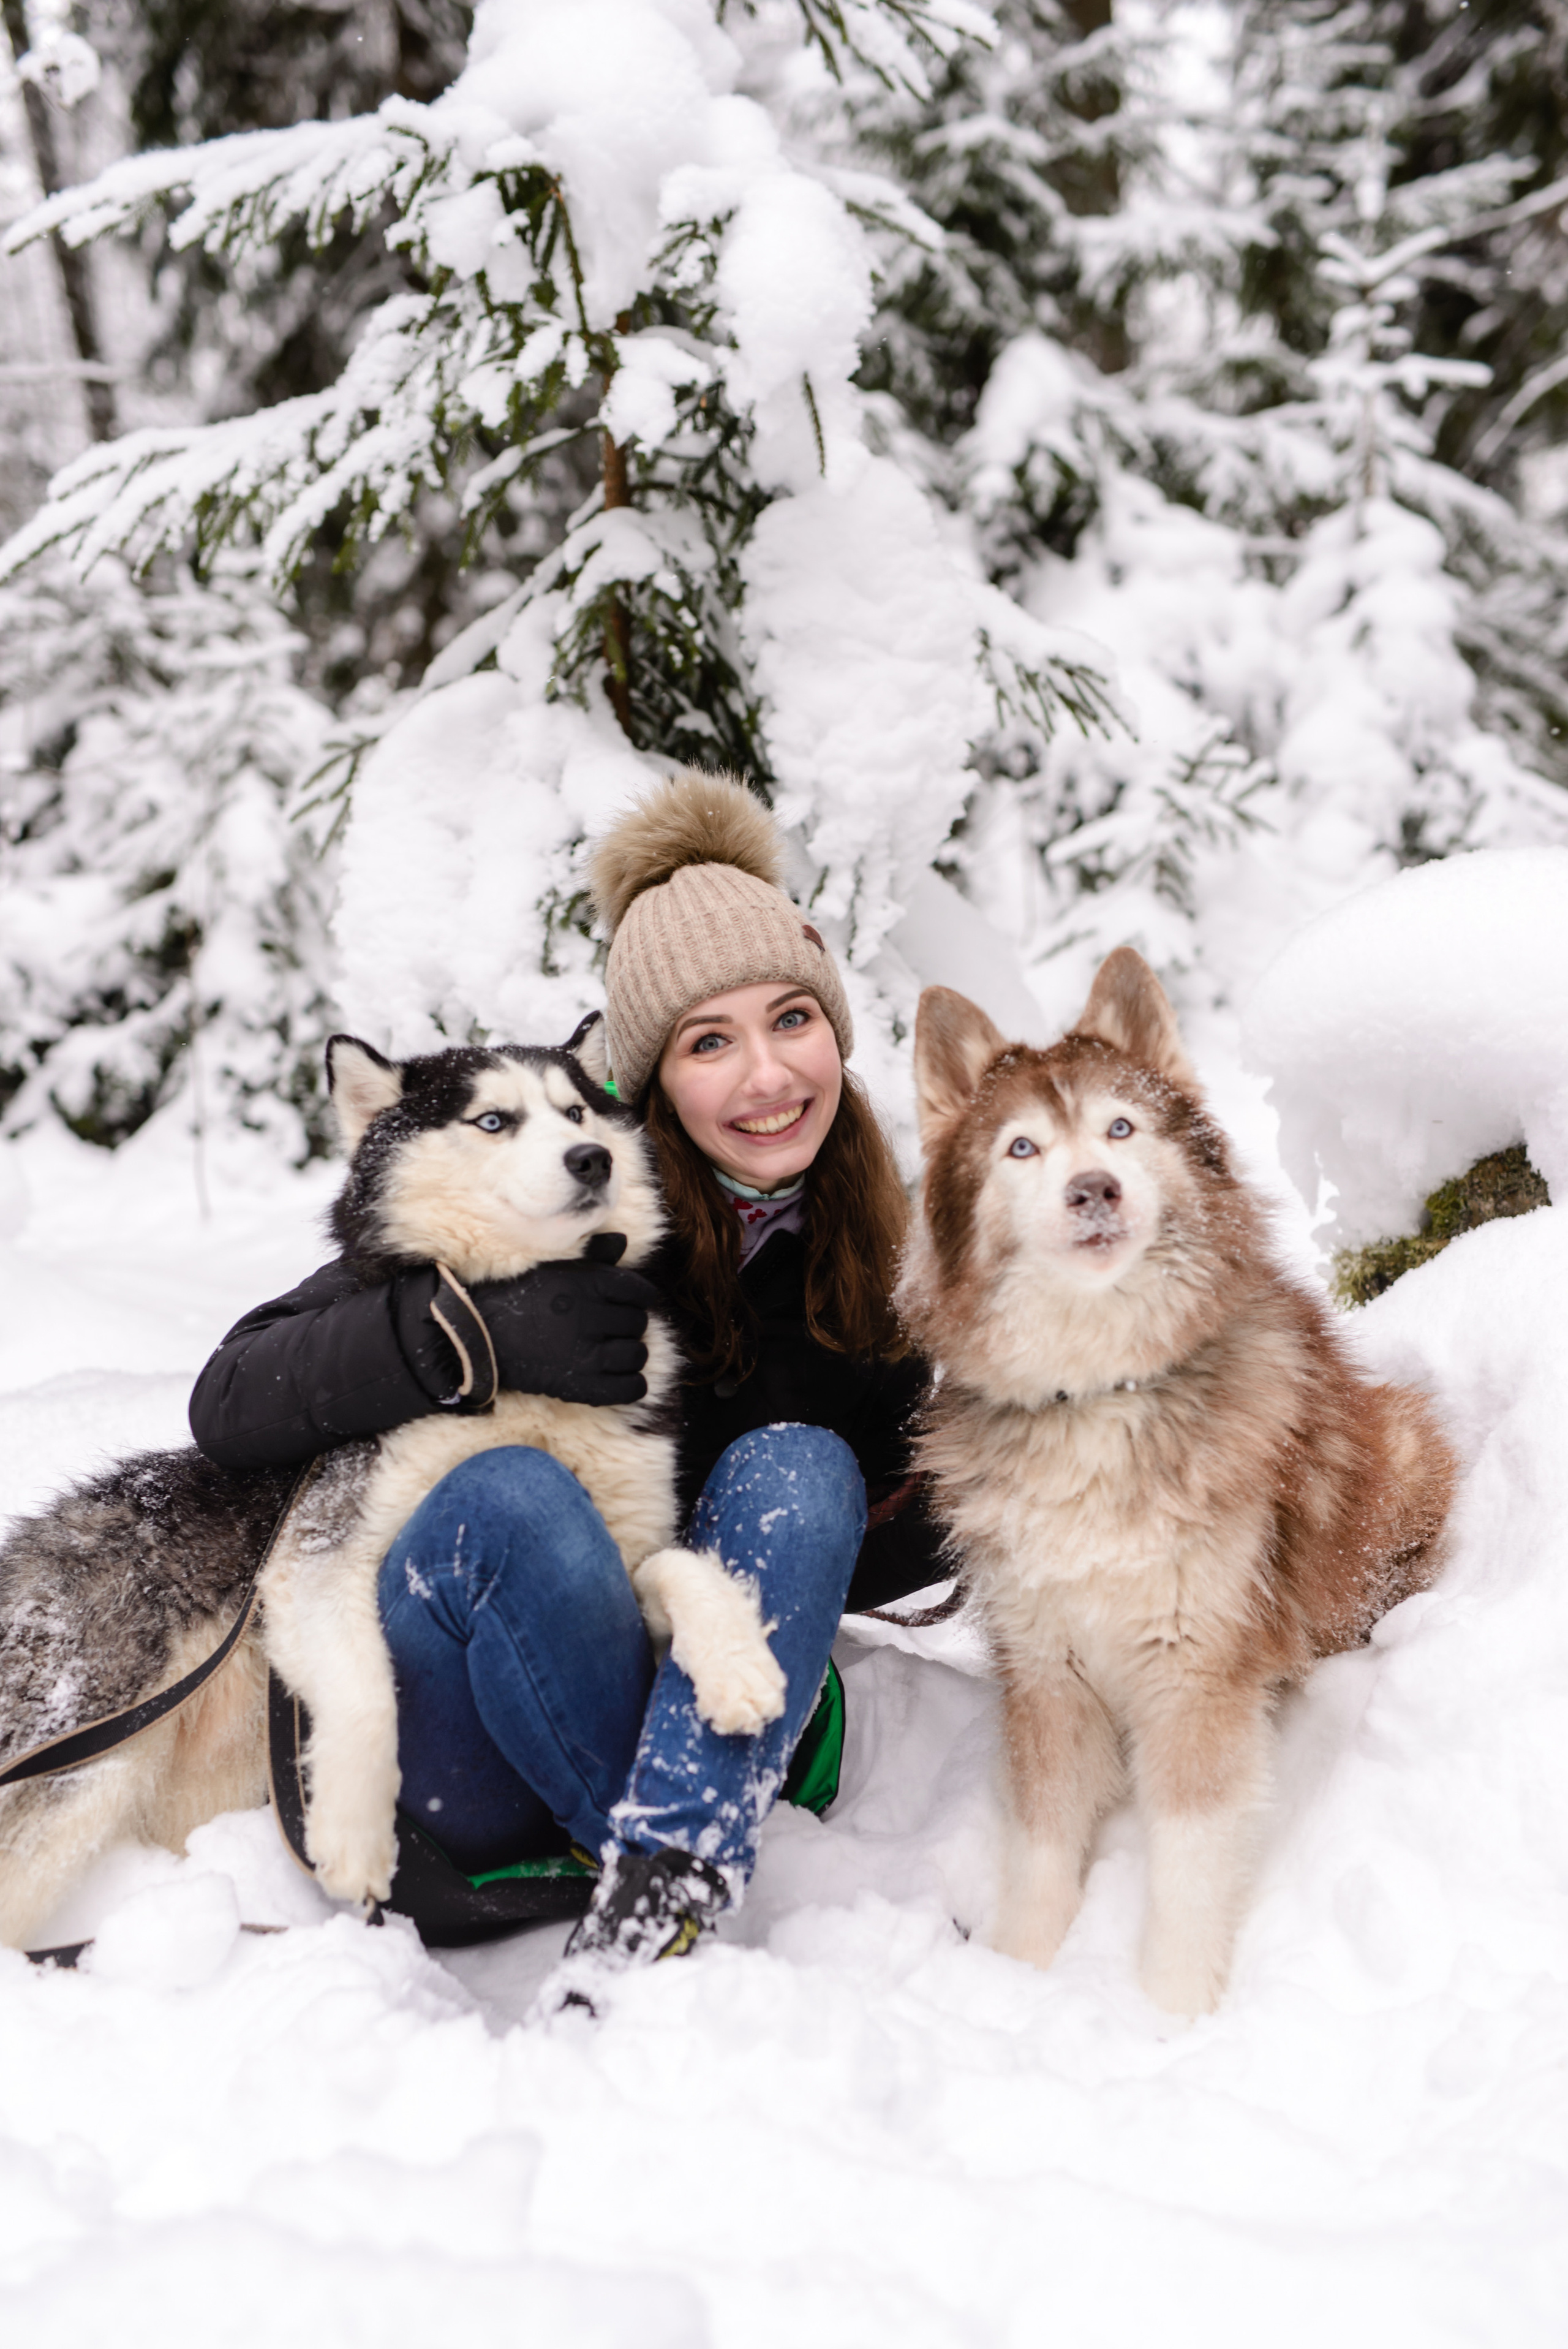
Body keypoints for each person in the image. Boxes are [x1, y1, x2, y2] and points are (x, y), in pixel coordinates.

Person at [189, 770, 946, 2000]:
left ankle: (662, 1886)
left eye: (791, 1020)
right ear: (645, 1085)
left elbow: (922, 1526)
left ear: (835, 1032)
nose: (764, 1075)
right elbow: (231, 1401)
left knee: (803, 1466)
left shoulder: (888, 1261)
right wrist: (464, 1340)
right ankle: (668, 1861)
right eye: (709, 1042)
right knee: (511, 1499)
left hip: (715, 1696)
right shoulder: (539, 1220)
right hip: (487, 1733)